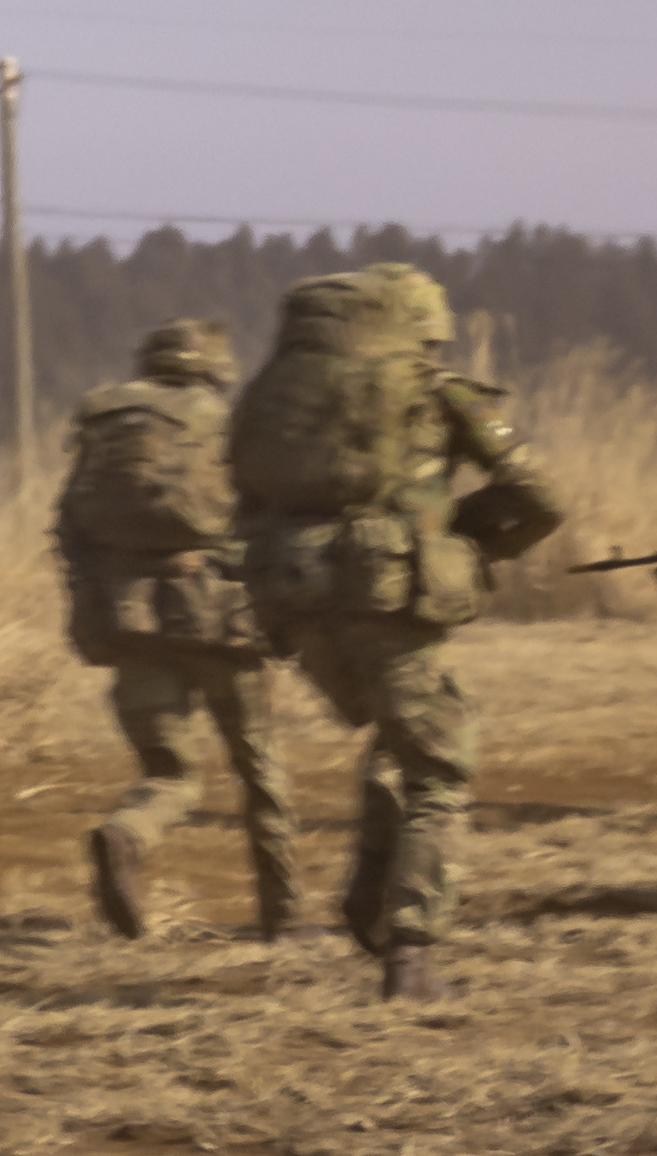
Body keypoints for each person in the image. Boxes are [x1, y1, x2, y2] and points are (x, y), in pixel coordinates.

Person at [233, 260, 561, 999]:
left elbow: (243, 502)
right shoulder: (438, 392)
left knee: (397, 736)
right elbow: (540, 495)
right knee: (440, 768)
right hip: (388, 598)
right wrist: (473, 542)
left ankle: (368, 888)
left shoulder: (274, 397)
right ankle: (411, 949)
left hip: (297, 597)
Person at [52, 320, 289, 942]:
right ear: (214, 368)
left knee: (170, 772)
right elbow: (265, 517)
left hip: (128, 618)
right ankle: (283, 917)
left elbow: (69, 528)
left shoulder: (104, 424)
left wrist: (95, 594)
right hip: (219, 619)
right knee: (259, 770)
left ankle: (126, 834)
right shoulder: (226, 424)